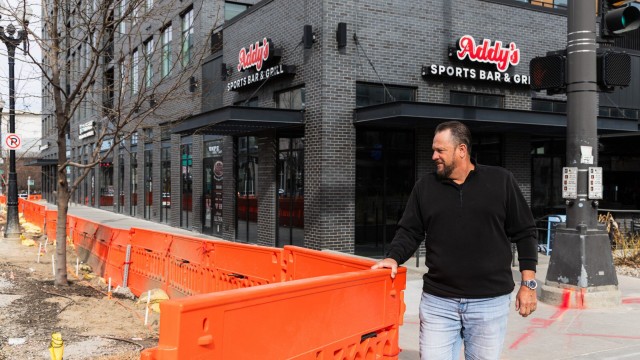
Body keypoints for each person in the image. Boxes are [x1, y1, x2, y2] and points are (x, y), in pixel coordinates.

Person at [371, 121, 538, 360]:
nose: (434, 156)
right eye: (433, 150)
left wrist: (528, 284)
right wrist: (392, 257)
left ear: (461, 150)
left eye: (440, 150)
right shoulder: (425, 187)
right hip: (438, 302)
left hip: (489, 303)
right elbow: (409, 231)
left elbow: (525, 231)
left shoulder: (501, 181)